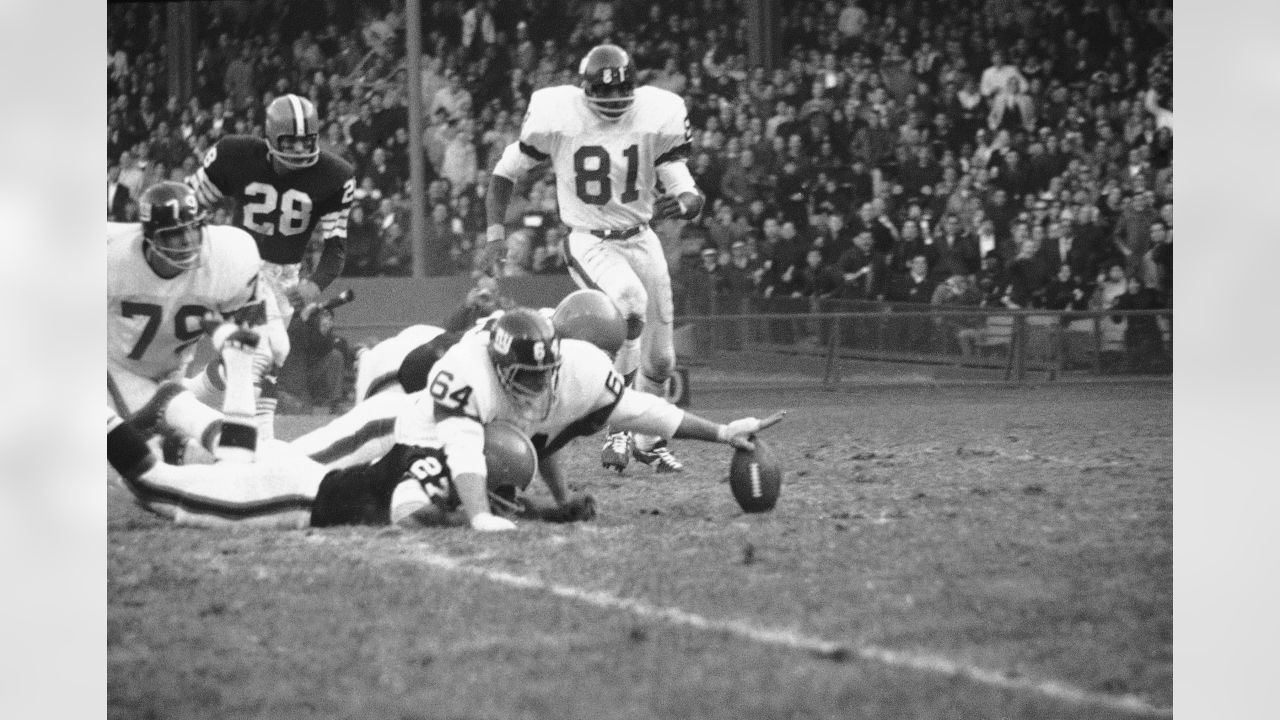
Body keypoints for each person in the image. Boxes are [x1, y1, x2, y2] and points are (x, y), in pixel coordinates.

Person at [482, 44, 704, 475]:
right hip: (588, 239)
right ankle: (617, 426)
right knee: (628, 298)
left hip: (642, 238)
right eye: (603, 96)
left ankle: (648, 441)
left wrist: (689, 201)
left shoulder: (655, 114)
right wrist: (495, 233)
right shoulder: (560, 115)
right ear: (585, 92)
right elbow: (503, 175)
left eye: (621, 93)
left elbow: (681, 181)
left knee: (661, 361)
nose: (612, 103)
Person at [185, 93, 356, 442]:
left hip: (285, 275)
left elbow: (336, 248)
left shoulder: (335, 175)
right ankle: (252, 440)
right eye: (290, 142)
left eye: (306, 141)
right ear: (271, 137)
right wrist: (199, 248)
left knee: (268, 354)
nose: (298, 150)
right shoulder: (237, 153)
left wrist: (316, 283)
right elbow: (191, 202)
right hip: (239, 261)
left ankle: (184, 397)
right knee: (264, 348)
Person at [108, 181, 266, 461]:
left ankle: (242, 458)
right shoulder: (112, 257)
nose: (189, 239)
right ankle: (237, 449)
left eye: (194, 227)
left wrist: (232, 339)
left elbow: (245, 331)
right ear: (151, 238)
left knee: (166, 454)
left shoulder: (227, 258)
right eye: (175, 233)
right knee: (161, 434)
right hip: (117, 365)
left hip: (173, 367)